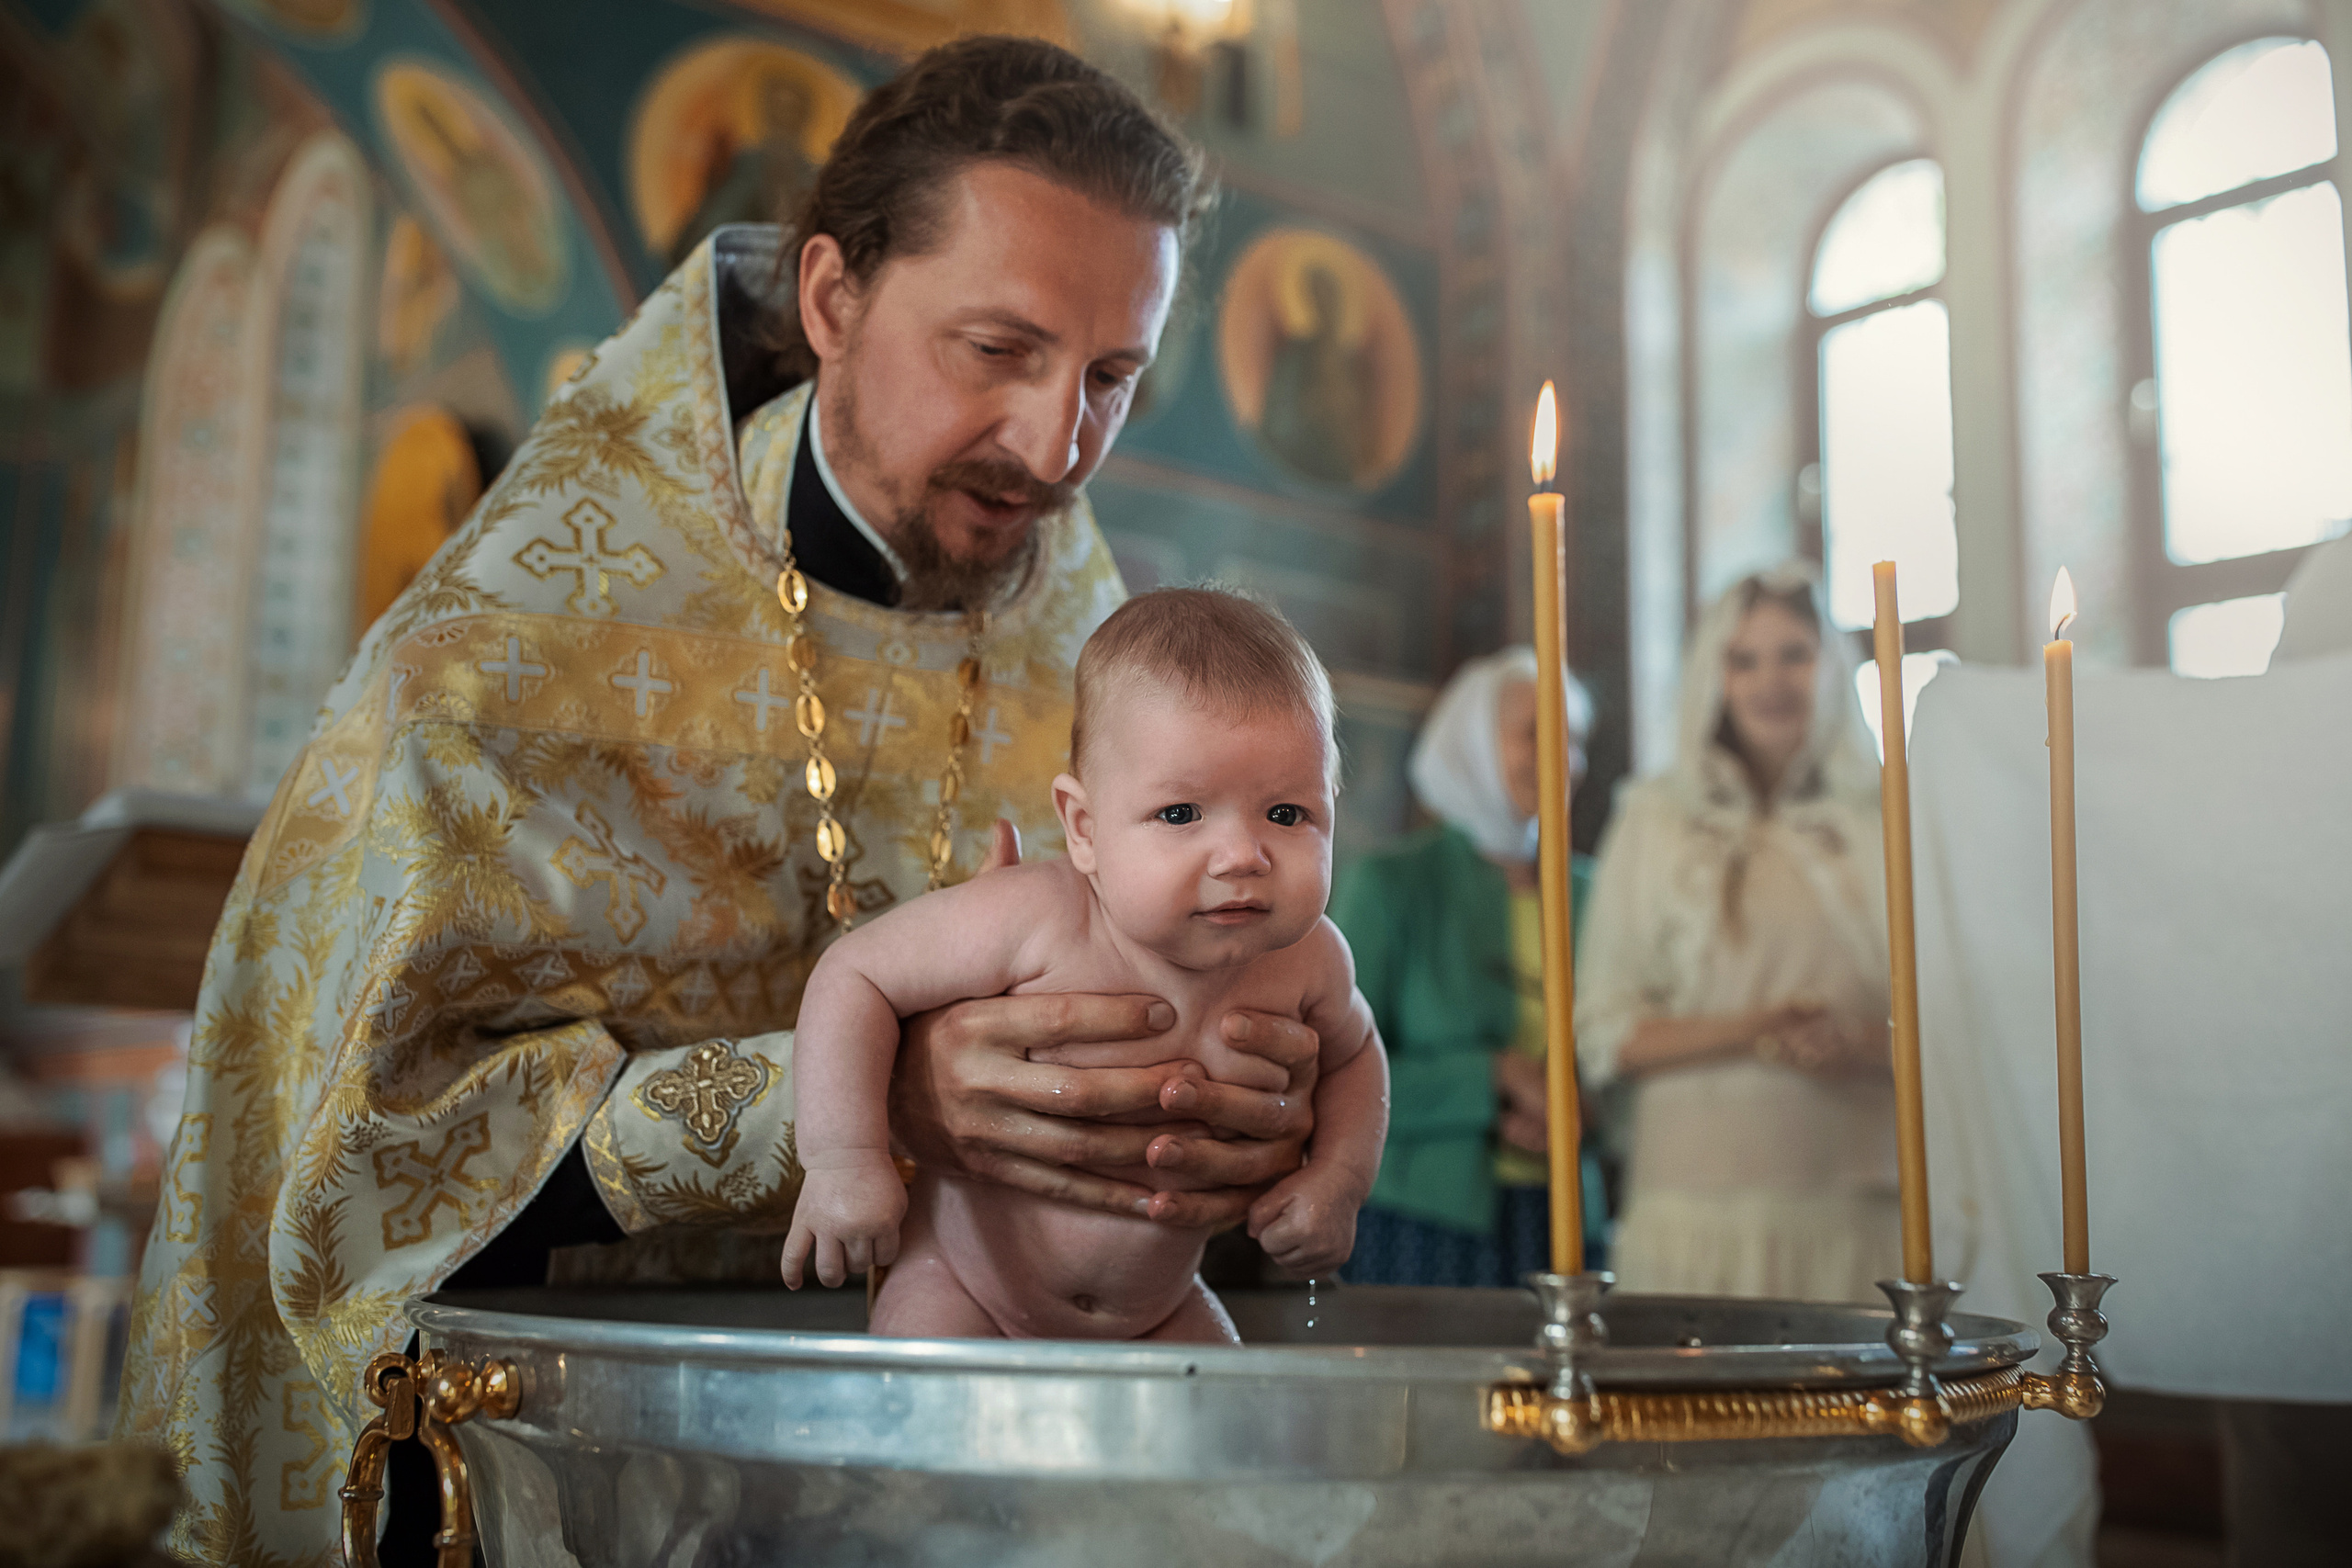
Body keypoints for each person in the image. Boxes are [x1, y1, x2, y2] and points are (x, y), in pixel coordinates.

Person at [119, 39, 1329, 1564]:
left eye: (1109, 378)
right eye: (997, 352)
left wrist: (1230, 1113)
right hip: (551, 1472)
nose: (1053, 446)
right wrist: (852, 1103)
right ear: (833, 300)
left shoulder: (1088, 662)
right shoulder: (499, 658)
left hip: (962, 1485)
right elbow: (352, 1162)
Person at [785, 589, 1388, 1339]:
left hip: (1161, 1309)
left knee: (1225, 1424)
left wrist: (1337, 1181)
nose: (1242, 856)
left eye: (1288, 814)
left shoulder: (1310, 957)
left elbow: (1358, 1054)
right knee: (926, 1412)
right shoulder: (1036, 915)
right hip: (965, 1289)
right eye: (1180, 814)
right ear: (1084, 827)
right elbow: (855, 975)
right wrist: (844, 1158)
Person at [1576, 564, 1898, 1303]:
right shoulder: (1653, 817)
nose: (1770, 681)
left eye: (1794, 653)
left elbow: (1950, 1024)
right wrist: (1759, 1028)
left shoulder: (1886, 819)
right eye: (1743, 659)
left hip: (1860, 1206)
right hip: (1692, 1207)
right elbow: (1606, 1031)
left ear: (1831, 666)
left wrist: (1855, 1042)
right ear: (1713, 674)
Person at [1331, 647, 1604, 1288]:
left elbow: (1624, 1048)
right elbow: (1334, 1067)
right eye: (1535, 733)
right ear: (1474, 742)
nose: (1562, 756)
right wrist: (1493, 1076)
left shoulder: (1596, 890)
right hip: (1424, 1219)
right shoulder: (1394, 884)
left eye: (1575, 738)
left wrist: (1584, 1109)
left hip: (1566, 1215)